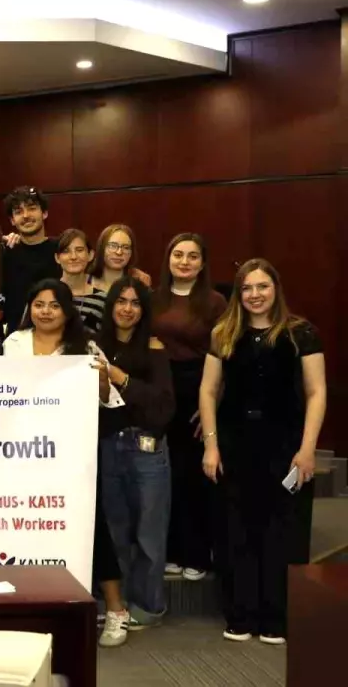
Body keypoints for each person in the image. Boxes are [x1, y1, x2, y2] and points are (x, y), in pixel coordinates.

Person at [199, 259, 325, 645]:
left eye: (262, 287)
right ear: (239, 294)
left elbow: (316, 392)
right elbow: (208, 391)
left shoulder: (300, 333)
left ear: (276, 289)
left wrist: (307, 449)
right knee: (236, 530)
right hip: (235, 445)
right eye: (247, 288)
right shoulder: (223, 333)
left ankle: (276, 618)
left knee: (282, 532)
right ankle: (240, 615)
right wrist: (211, 445)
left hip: (286, 447)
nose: (255, 295)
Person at [3, 279, 128, 647]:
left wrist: (102, 380)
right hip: (24, 452)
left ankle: (116, 610)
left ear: (67, 311)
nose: (46, 312)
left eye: (54, 305)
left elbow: (106, 400)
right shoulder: (14, 343)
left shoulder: (85, 347)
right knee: (31, 525)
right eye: (39, 304)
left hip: (74, 452)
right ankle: (38, 608)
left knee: (91, 525)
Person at [96, 277, 176, 632]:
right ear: (110, 305)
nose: (127, 309)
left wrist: (120, 378)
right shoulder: (94, 347)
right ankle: (118, 604)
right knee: (115, 531)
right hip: (107, 445)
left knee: (149, 534)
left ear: (144, 310)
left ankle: (148, 606)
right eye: (121, 301)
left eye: (135, 303)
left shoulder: (154, 347)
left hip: (147, 448)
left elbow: (163, 406)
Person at [152, 233, 227, 582]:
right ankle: (171, 550)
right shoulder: (154, 298)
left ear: (202, 263)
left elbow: (225, 355)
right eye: (178, 254)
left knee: (196, 477)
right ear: (168, 258)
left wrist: (212, 402)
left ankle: (197, 553)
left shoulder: (215, 303)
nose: (184, 262)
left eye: (192, 256)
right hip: (161, 391)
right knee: (166, 476)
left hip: (199, 392)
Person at [1, 187, 61, 331]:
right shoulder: (5, 252)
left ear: (44, 213)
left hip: (57, 335)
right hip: (16, 337)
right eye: (18, 212)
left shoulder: (61, 250)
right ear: (12, 220)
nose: (26, 215)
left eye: (32, 208)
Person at [57, 228, 107, 334]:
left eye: (79, 250)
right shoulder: (44, 294)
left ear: (90, 255)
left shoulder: (102, 299)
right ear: (57, 258)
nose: (73, 257)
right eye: (66, 251)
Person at [91, 224, 152, 292]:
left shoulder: (140, 285)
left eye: (126, 247)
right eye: (113, 246)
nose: (119, 252)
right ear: (102, 248)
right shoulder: (85, 280)